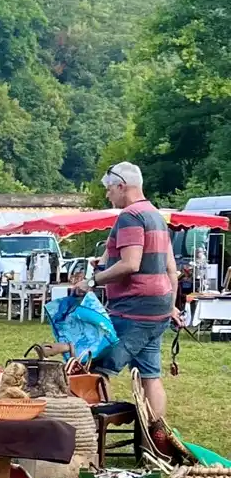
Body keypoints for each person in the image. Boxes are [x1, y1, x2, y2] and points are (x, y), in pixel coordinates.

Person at [71, 162, 177, 420]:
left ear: (121, 186)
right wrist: (171, 306)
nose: (108, 195)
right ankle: (155, 440)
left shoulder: (130, 216)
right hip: (157, 308)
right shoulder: (155, 215)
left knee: (94, 368)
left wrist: (92, 281)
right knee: (149, 375)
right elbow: (168, 267)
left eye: (109, 189)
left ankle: (87, 436)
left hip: (134, 310)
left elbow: (131, 263)